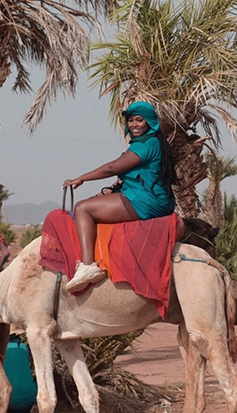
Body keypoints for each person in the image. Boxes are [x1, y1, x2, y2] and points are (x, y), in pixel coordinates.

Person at [62, 101, 176, 292]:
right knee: (95, 202)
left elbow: (113, 168)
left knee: (83, 208)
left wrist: (81, 179)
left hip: (145, 200)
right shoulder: (152, 142)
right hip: (153, 197)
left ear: (150, 122)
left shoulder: (146, 144)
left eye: (140, 120)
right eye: (131, 121)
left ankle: (87, 266)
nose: (135, 125)